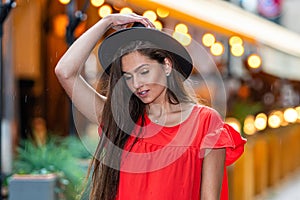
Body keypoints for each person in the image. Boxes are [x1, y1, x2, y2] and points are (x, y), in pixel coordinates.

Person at [55, 13, 246, 200]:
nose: (136, 83)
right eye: (128, 76)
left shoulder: (206, 123)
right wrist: (107, 21)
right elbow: (64, 72)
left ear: (167, 66)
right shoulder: (121, 120)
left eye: (144, 71)